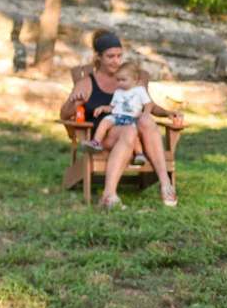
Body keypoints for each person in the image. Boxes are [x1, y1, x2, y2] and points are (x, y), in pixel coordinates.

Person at [61, 30, 182, 209]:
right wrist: (75, 101)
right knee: (130, 129)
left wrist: (168, 113)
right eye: (110, 56)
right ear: (98, 57)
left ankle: (165, 185)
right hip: (105, 136)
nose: (116, 61)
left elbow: (149, 104)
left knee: (146, 121)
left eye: (119, 56)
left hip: (137, 140)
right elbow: (64, 114)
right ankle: (109, 195)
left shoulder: (131, 79)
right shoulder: (86, 83)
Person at [81, 61, 152, 153]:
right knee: (105, 122)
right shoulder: (118, 92)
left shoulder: (139, 90)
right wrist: (103, 108)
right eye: (118, 80)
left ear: (134, 79)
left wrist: (145, 114)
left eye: (123, 80)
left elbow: (148, 104)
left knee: (133, 135)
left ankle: (139, 153)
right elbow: (112, 107)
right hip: (116, 116)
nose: (120, 83)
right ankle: (96, 142)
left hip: (131, 118)